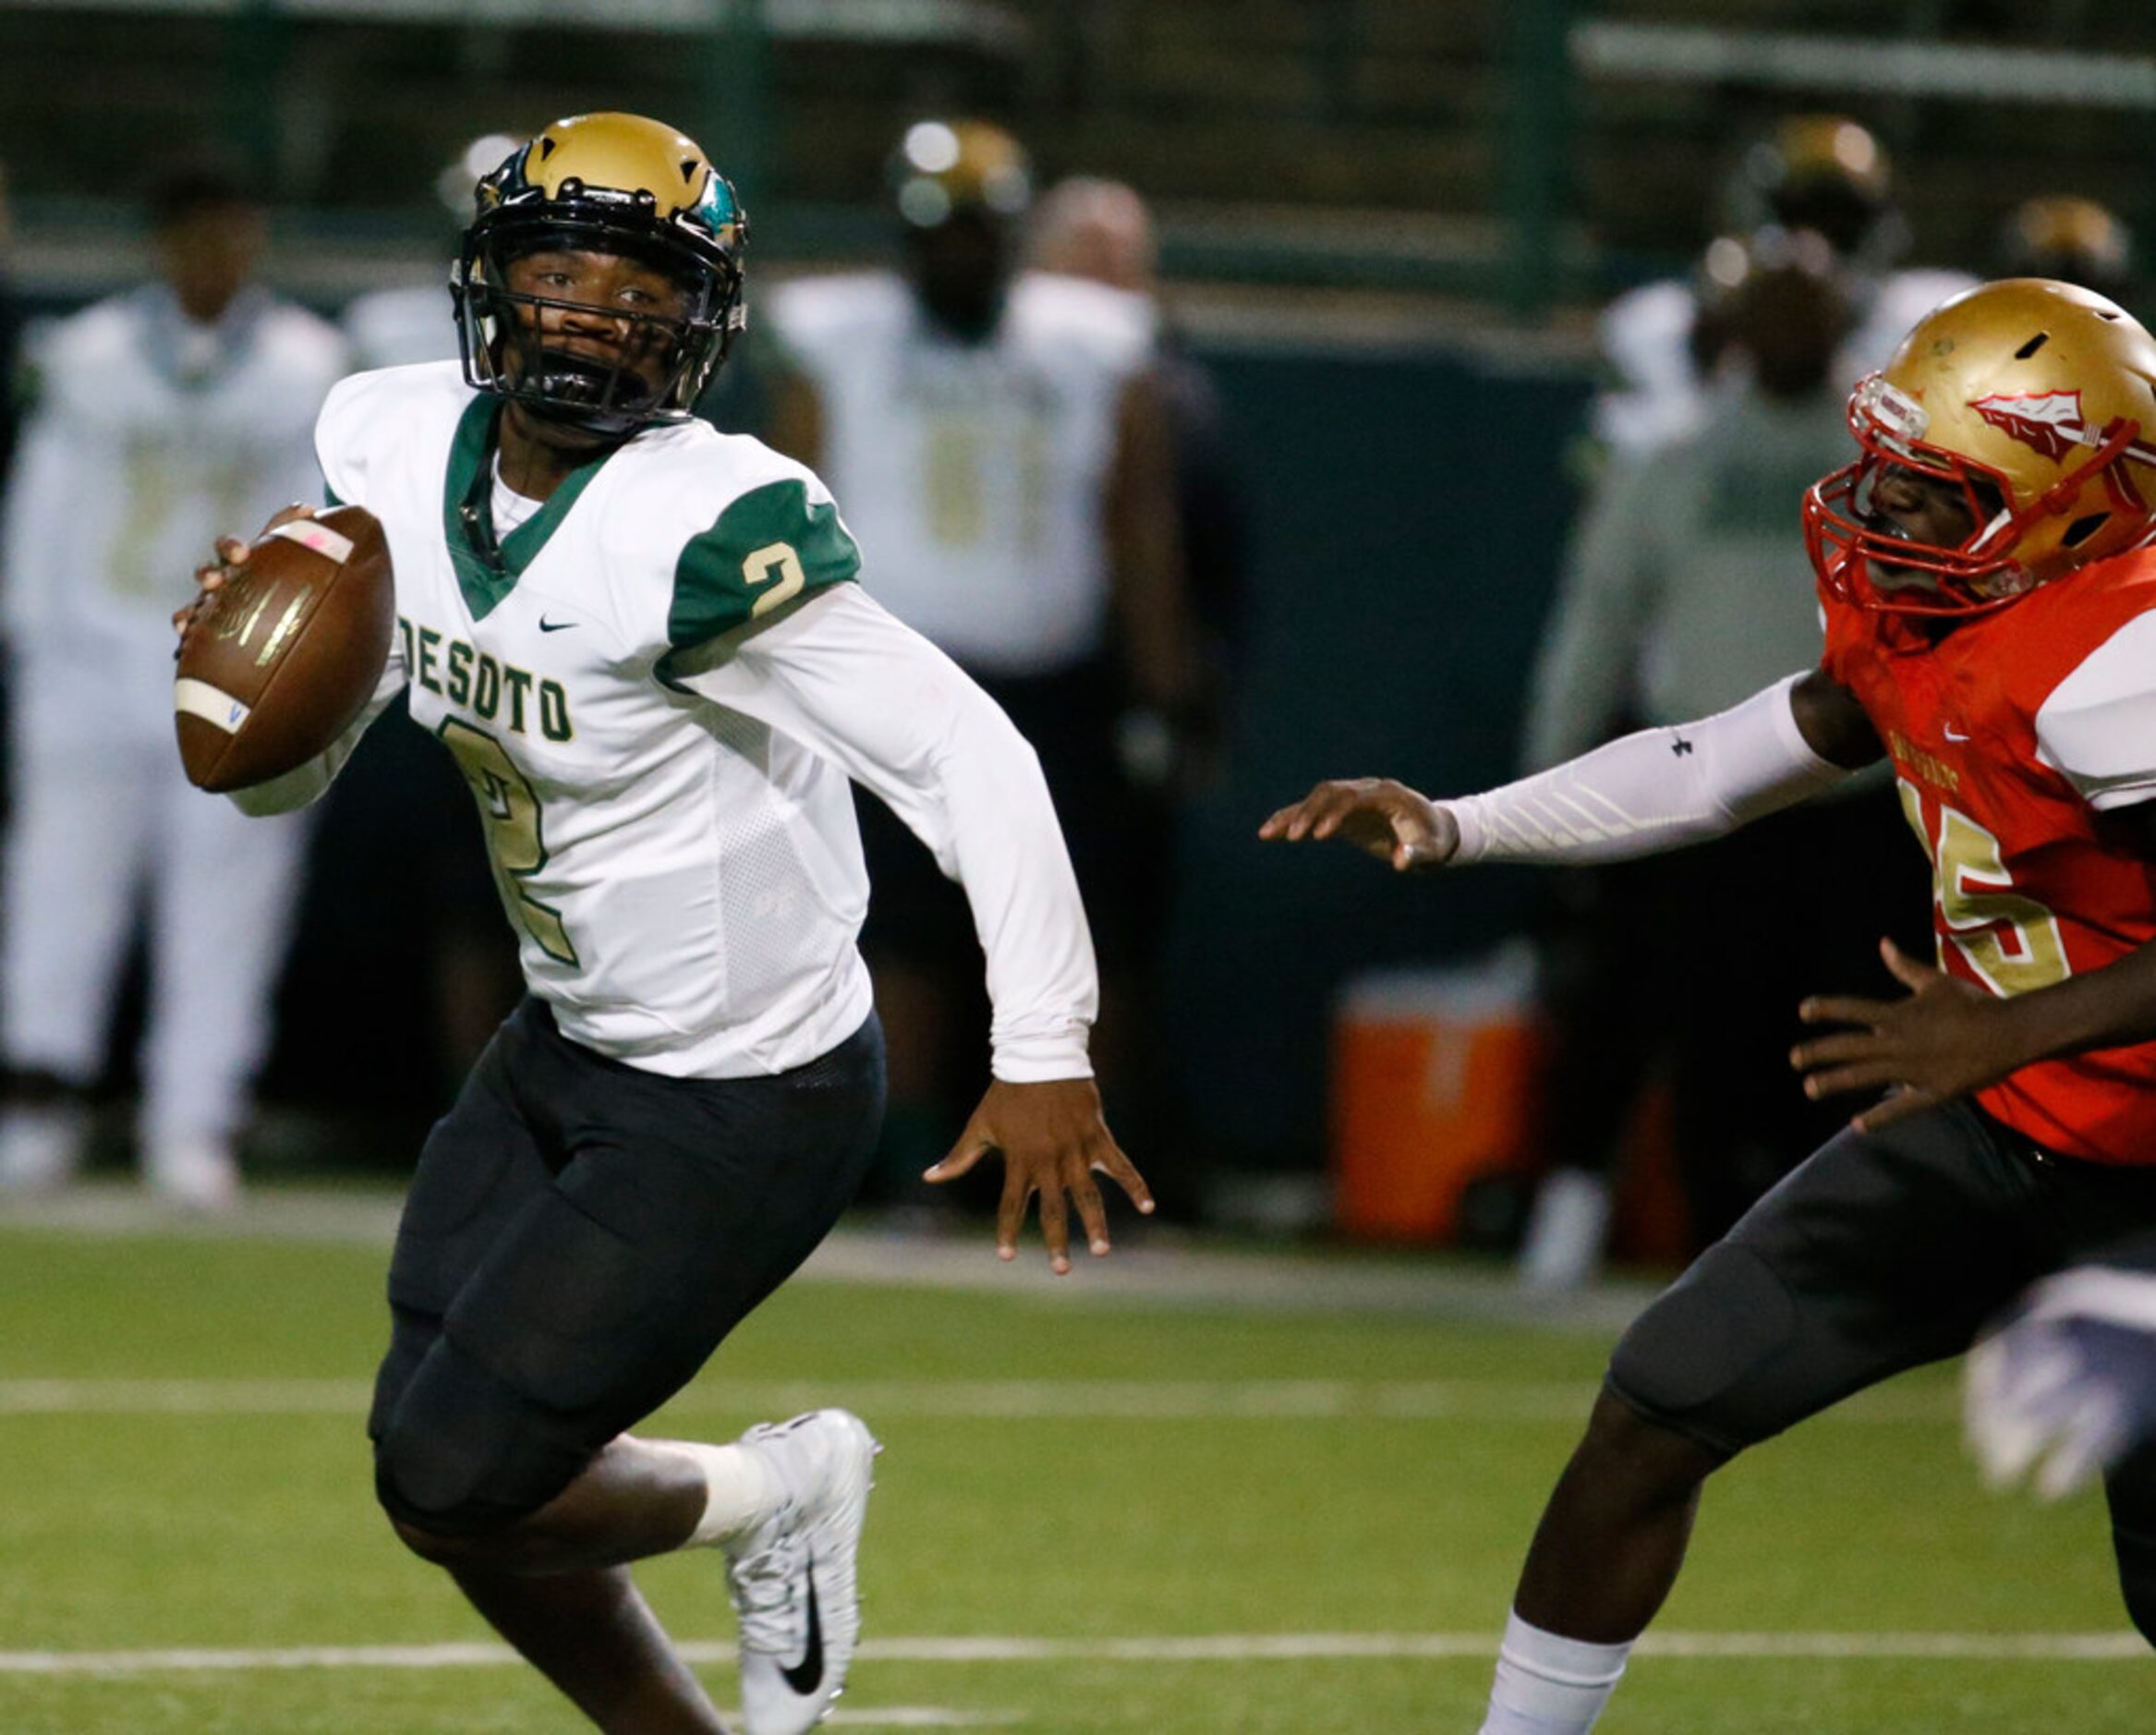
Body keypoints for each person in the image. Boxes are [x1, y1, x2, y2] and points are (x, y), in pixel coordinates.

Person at [178, 113, 1153, 1735]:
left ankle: (781, 1487)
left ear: (693, 323)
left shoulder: (706, 524)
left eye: (636, 288)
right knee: (434, 1469)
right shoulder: (390, 444)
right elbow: (290, 781)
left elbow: (973, 754)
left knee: (460, 1472)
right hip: (563, 1040)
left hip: (741, 1084)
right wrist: (253, 702)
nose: (587, 313)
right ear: (491, 284)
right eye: (556, 269)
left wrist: (1041, 1044)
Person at [1261, 277, 2156, 1727]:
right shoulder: (1947, 619)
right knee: (1658, 1399)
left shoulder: (2125, 657)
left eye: (1928, 492)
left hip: (2131, 1166)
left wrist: (2004, 1023)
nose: (1879, 512)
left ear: (2067, 506)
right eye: (1882, 465)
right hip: (1998, 1122)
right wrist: (1456, 822)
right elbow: (1714, 763)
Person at [761, 121, 1201, 1208]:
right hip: (890, 667)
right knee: (896, 929)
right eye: (940, 229)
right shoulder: (838, 333)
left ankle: (1100, 1168)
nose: (959, 250)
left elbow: (1136, 519)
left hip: (1053, 674)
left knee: (1079, 925)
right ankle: (910, 1167)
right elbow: (786, 502)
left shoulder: (1094, 340)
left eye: (978, 227)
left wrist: (1166, 684)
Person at [1512, 227, 1929, 1290]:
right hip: (1713, 793)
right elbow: (1598, 623)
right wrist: (1547, 780)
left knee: (1857, 1041)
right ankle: (1718, 1265)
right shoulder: (1674, 457)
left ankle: (1854, 1264)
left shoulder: (1898, 464)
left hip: (1860, 801)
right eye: (1771, 306)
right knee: (1707, 1041)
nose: (1790, 327)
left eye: (1810, 305)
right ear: (1732, 323)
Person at [0, 162, 346, 1207]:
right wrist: (30, 646)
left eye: (234, 235)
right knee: (58, 900)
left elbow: (316, 522)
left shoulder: (308, 361)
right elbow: (44, 499)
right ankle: (34, 1114)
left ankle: (192, 1123)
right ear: (163, 243)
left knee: (228, 905)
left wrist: (298, 665)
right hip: (90, 660)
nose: (216, 258)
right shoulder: (87, 354)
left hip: (233, 668)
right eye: (198, 236)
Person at [1592, 115, 1971, 461]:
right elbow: (1614, 457)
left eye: (1839, 220)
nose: (1812, 247)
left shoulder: (1927, 321)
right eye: (1797, 215)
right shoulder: (1663, 324)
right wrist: (1709, 355)